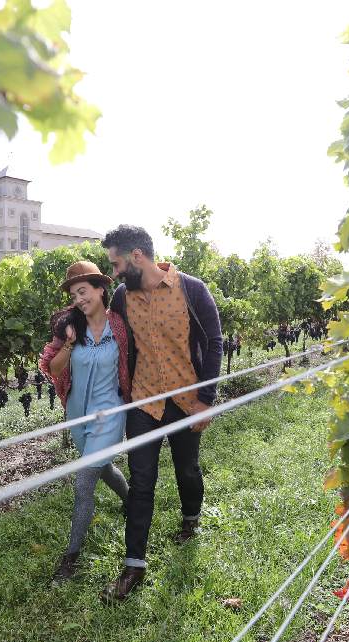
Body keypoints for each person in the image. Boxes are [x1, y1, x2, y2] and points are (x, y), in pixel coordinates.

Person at [99, 224, 223, 602]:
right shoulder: (122, 297)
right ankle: (134, 565)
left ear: (138, 256)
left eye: (117, 263)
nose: (115, 273)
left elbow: (215, 342)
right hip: (144, 402)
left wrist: (206, 399)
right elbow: (109, 335)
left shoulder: (192, 289)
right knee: (141, 483)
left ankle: (191, 520)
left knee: (188, 468)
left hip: (186, 402)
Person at [39, 260, 132, 581]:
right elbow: (53, 369)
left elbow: (134, 362)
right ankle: (132, 500)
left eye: (84, 291)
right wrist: (68, 342)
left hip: (110, 413)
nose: (79, 299)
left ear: (100, 289)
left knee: (83, 483)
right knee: (102, 467)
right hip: (77, 414)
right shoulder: (70, 327)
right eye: (74, 294)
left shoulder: (119, 326)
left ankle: (70, 557)